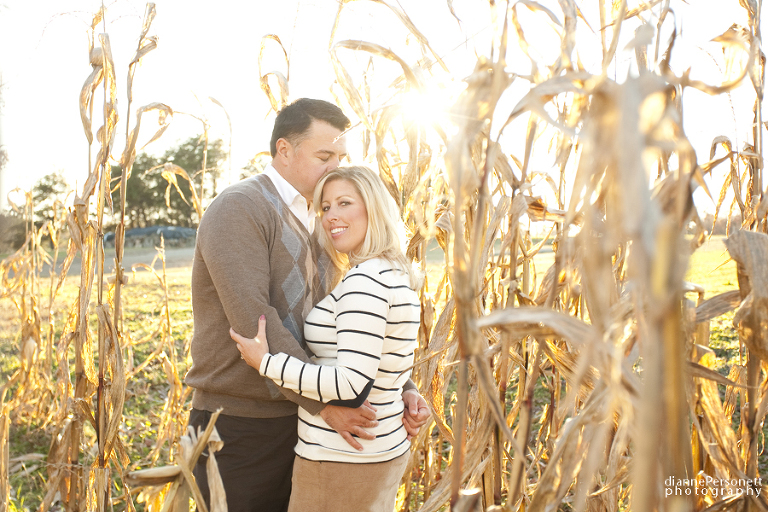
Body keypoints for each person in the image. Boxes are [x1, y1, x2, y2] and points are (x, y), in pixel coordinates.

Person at [185, 98, 430, 512]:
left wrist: (396, 385)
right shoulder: (239, 208)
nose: (335, 167)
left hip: (300, 418)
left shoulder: (323, 221)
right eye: (324, 156)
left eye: (342, 157)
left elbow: (347, 327)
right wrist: (327, 406)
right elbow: (254, 321)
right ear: (285, 150)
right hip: (241, 422)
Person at [231, 165, 422, 512]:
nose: (332, 216)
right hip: (380, 449)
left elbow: (350, 384)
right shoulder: (394, 273)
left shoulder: (366, 282)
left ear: (374, 208)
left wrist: (267, 363)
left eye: (345, 203)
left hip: (342, 459)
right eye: (326, 207)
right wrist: (408, 390)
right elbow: (385, 354)